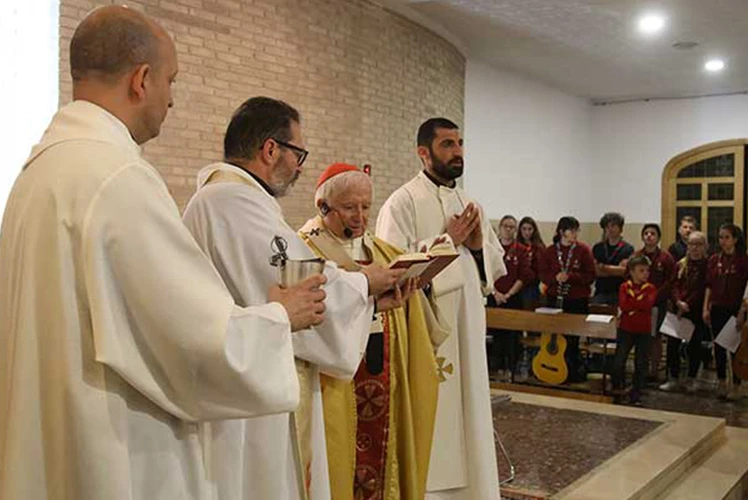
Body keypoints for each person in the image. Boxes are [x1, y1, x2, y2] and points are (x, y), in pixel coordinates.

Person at [0, 9, 326, 500]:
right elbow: (195, 339)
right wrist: (282, 315)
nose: (172, 98)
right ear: (142, 80)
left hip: (48, 431)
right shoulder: (118, 178)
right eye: (171, 81)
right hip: (112, 446)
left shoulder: (39, 172)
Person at [182, 98, 404, 500]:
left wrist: (369, 301)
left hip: (247, 373)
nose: (300, 166)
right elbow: (298, 279)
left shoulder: (230, 199)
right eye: (297, 153)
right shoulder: (231, 200)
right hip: (248, 393)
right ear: (271, 150)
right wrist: (366, 284)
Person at [297, 163, 449, 500]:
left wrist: (420, 281)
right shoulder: (305, 251)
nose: (360, 216)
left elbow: (413, 305)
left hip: (383, 371)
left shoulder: (382, 252)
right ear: (323, 207)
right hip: (337, 382)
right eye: (350, 207)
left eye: (366, 207)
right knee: (338, 465)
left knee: (385, 454)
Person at [375, 117, 506, 500]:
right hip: (427, 327)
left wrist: (479, 246)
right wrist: (446, 240)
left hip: (467, 323)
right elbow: (392, 272)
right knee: (437, 415)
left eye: (460, 143)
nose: (458, 151)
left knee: (470, 406)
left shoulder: (470, 203)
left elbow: (492, 273)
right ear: (423, 152)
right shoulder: (401, 202)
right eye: (447, 144)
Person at [537, 216, 597, 382]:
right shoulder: (549, 251)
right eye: (572, 230)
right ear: (562, 232)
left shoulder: (583, 250)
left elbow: (590, 275)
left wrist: (570, 277)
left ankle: (571, 371)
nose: (575, 234)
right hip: (554, 298)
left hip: (576, 299)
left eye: (577, 230)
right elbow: (542, 274)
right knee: (554, 335)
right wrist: (555, 277)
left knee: (572, 339)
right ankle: (551, 368)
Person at [703, 223, 748, 400]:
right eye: (721, 237)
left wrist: (742, 313)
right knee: (718, 346)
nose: (723, 241)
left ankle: (737, 384)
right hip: (717, 307)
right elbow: (709, 286)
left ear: (735, 239)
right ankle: (721, 381)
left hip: (735, 308)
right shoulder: (714, 259)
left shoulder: (745, 261)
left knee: (734, 348)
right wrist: (705, 308)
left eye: (727, 237)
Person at [660, 231, 710, 393]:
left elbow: (703, 288)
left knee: (694, 346)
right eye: (691, 244)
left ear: (704, 246)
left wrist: (687, 303)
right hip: (678, 309)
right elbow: (674, 285)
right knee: (672, 346)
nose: (694, 248)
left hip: (695, 310)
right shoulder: (681, 264)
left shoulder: (707, 265)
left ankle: (692, 378)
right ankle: (673, 377)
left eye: (698, 244)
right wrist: (678, 302)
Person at [489, 215, 535, 381]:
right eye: (506, 226)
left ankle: (511, 370)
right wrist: (496, 293)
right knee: (497, 335)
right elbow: (486, 274)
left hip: (513, 298)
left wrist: (508, 294)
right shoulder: (491, 248)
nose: (509, 230)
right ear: (500, 227)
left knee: (512, 337)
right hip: (494, 296)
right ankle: (496, 369)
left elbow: (524, 276)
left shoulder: (521, 250)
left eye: (512, 227)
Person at [611, 255, 658, 406]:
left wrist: (634, 305)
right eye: (641, 271)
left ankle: (636, 393)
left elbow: (648, 305)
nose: (645, 274)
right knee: (619, 360)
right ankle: (618, 389)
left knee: (641, 363)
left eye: (647, 271)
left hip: (643, 330)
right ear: (631, 272)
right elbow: (624, 306)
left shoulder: (650, 288)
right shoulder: (624, 287)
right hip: (626, 329)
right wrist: (637, 304)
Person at [633, 223, 676, 382]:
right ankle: (641, 368)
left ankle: (654, 369)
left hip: (658, 303)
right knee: (640, 337)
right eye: (646, 233)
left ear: (658, 237)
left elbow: (671, 280)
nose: (649, 236)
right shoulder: (637, 256)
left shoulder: (666, 258)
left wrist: (655, 296)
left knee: (655, 336)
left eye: (652, 233)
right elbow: (629, 276)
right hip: (638, 303)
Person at [592, 212, 634, 305]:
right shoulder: (598, 247)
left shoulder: (628, 248)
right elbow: (595, 271)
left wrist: (603, 267)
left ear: (620, 228)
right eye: (607, 227)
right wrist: (615, 269)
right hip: (600, 292)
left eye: (613, 226)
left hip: (619, 293)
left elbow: (624, 271)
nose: (610, 229)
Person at [516, 216, 545, 307]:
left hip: (532, 286)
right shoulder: (515, 245)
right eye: (524, 229)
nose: (527, 232)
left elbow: (542, 268)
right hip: (517, 284)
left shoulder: (539, 247)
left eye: (530, 229)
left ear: (534, 230)